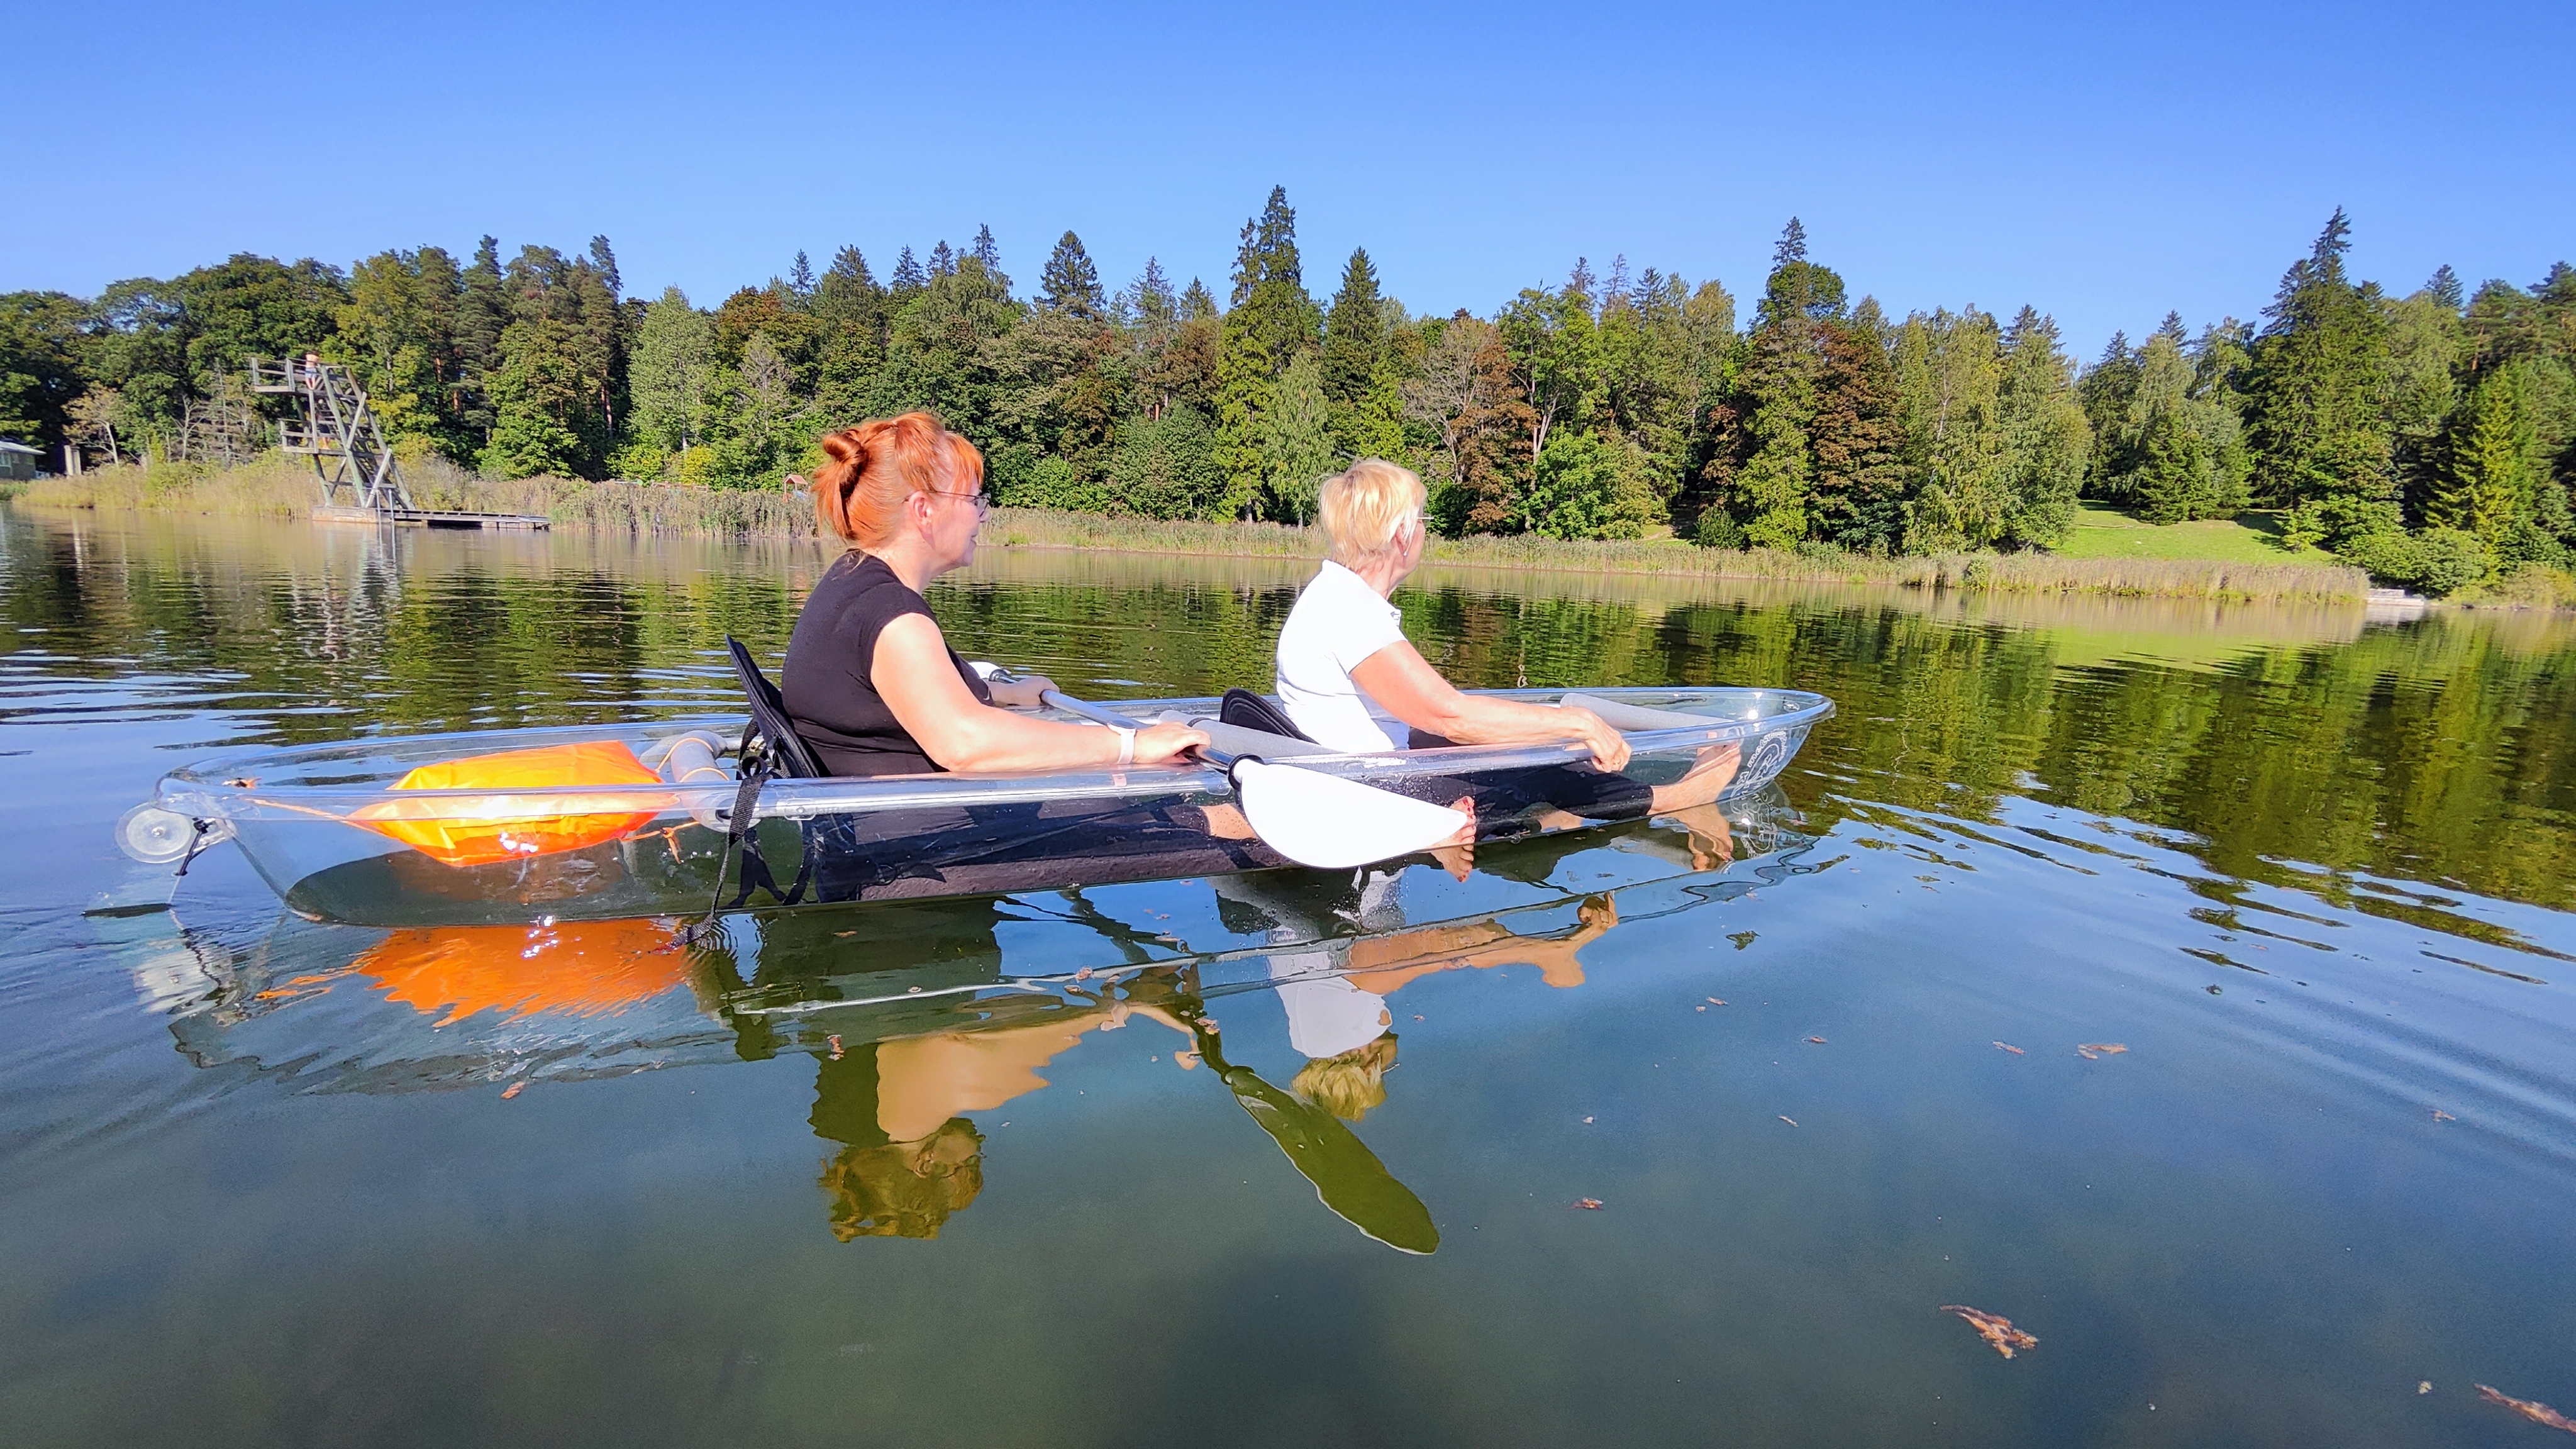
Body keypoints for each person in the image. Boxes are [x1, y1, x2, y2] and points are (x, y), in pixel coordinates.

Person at [1268, 457, 1738, 840]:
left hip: (1375, 771)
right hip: (1378, 790)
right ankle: (1682, 798)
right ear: (1403, 535)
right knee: (1547, 767)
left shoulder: (1339, 599)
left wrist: (1525, 729)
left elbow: (1425, 717)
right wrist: (1578, 722)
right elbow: (1449, 714)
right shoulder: (1348, 612)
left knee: (1520, 743)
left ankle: (1548, 818)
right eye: (1424, 520)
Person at [782, 413, 1207, 777]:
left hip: (890, 834)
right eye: (972, 499)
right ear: (923, 511)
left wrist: (1000, 694)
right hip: (928, 852)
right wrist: (1132, 745)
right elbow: (965, 743)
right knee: (1207, 818)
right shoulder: (893, 617)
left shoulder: (848, 584)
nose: (982, 513)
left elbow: (897, 700)